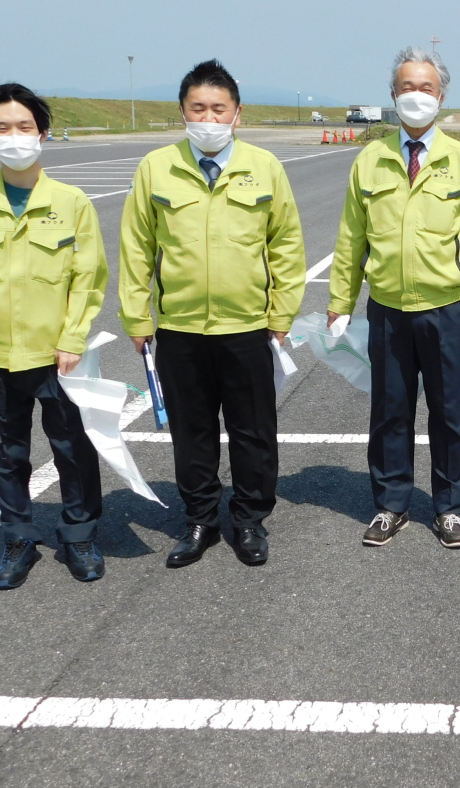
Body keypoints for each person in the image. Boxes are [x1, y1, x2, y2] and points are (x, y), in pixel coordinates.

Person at [119, 59, 306, 568]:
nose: (208, 117)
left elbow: (286, 244)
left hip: (247, 327)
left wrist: (281, 313)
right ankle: (201, 518)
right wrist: (137, 317)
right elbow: (137, 247)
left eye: (218, 108)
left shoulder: (264, 167)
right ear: (182, 112)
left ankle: (249, 519)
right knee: (192, 431)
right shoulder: (157, 168)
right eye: (197, 108)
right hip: (179, 329)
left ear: (237, 114)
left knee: (253, 430)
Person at [0, 83, 108, 589]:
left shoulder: (71, 202)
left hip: (58, 357)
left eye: (25, 127)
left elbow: (88, 276)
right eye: (2, 128)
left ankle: (79, 535)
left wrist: (74, 338)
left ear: (43, 134)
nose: (15, 137)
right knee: (7, 454)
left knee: (73, 449)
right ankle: (18, 537)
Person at [328, 47, 460, 549]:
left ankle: (449, 507)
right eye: (407, 87)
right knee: (390, 411)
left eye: (426, 88)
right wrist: (340, 301)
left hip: (448, 309)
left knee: (450, 413)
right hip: (387, 309)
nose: (416, 95)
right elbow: (350, 238)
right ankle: (391, 504)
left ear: (441, 96)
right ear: (393, 96)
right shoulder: (371, 160)